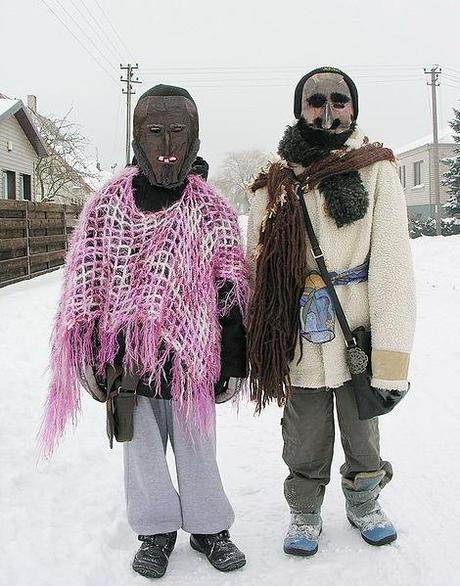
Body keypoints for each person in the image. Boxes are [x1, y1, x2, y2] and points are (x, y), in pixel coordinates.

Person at [40, 84, 249, 578]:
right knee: (142, 451)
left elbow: (230, 289)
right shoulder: (107, 206)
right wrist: (89, 354)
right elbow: (87, 284)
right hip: (127, 359)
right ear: (138, 136)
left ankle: (208, 528)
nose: (168, 144)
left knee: (198, 446)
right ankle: (154, 532)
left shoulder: (212, 209)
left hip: (193, 357)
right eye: (155, 131)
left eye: (179, 130)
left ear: (195, 137)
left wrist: (234, 360)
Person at [247, 67, 416, 556]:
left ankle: (364, 501)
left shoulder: (376, 167)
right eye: (315, 99)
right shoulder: (273, 179)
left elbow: (392, 266)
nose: (327, 108)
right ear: (300, 108)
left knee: (362, 425)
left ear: (353, 107)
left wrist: (390, 354)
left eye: (338, 100)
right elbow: (258, 263)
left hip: (357, 327)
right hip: (299, 325)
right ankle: (304, 508)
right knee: (304, 429)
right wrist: (265, 334)